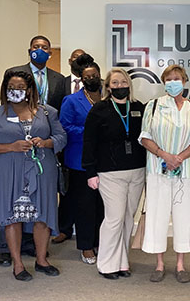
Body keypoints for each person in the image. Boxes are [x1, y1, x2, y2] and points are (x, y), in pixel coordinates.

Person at [0, 70, 67, 281]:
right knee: (13, 217)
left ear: (29, 90)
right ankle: (17, 264)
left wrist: (45, 143)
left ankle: (42, 260)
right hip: (9, 173)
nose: (15, 91)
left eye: (19, 88)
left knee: (42, 216)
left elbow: (61, 137)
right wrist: (11, 147)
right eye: (11, 88)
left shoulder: (47, 112)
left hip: (41, 171)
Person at [0, 35, 66, 265]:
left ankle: (36, 251)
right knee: (12, 204)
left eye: (44, 47)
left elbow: (60, 124)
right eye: (36, 47)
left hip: (42, 141)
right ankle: (7, 250)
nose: (40, 50)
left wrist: (47, 141)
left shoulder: (58, 79)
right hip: (13, 152)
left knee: (38, 204)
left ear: (50, 52)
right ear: (29, 50)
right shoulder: (15, 72)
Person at [138, 64, 190, 284]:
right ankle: (158, 264)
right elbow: (144, 137)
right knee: (157, 216)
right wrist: (164, 155)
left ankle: (180, 264)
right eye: (168, 79)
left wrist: (179, 158)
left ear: (184, 81)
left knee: (184, 217)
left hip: (185, 172)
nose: (173, 82)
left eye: (177, 78)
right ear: (164, 82)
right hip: (158, 170)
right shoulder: (154, 106)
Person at [82, 67, 146, 280]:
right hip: (109, 172)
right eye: (115, 83)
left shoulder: (139, 108)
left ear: (129, 84)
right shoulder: (99, 109)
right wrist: (90, 172)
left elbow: (147, 138)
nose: (120, 86)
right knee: (114, 218)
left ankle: (122, 260)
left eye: (123, 82)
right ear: (108, 87)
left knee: (128, 217)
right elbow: (89, 142)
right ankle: (107, 264)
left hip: (137, 170)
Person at [59, 54, 104, 264]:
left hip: (107, 162)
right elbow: (65, 128)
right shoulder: (71, 101)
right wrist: (91, 131)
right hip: (80, 161)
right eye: (88, 76)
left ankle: (101, 243)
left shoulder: (109, 97)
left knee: (103, 206)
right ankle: (86, 246)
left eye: (95, 75)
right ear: (81, 79)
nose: (92, 78)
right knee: (85, 206)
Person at [53, 48, 86, 244]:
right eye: (75, 59)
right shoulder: (60, 83)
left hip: (86, 147)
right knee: (66, 189)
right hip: (66, 145)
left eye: (81, 58)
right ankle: (64, 228)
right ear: (69, 61)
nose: (78, 61)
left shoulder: (96, 84)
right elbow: (55, 111)